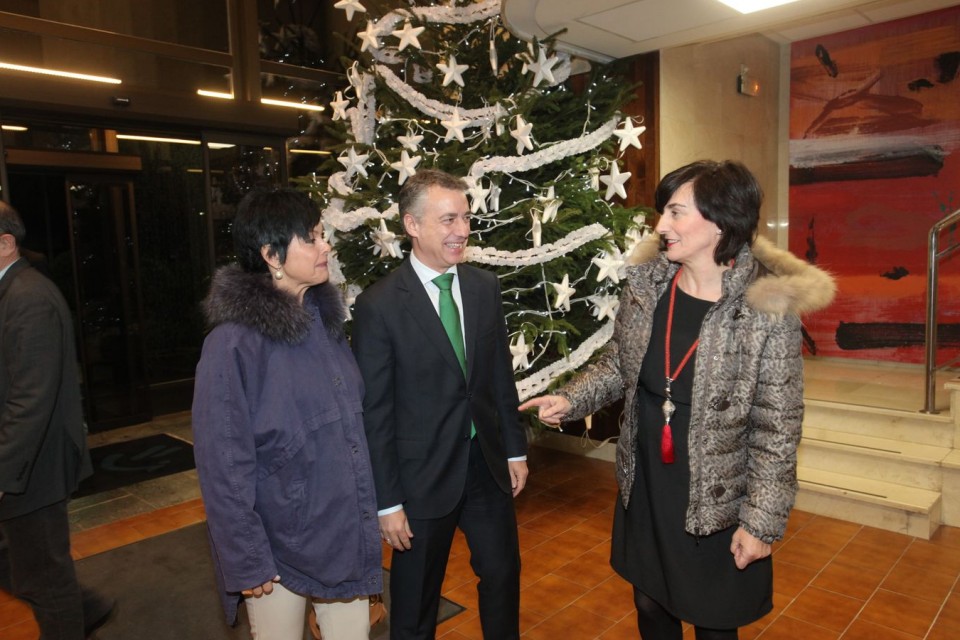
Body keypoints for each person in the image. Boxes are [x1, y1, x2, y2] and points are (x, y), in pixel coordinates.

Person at [520, 160, 836, 639]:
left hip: (715, 491)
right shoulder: (648, 288)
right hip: (647, 478)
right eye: (663, 213)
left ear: (719, 221)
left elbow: (778, 427)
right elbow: (618, 366)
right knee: (649, 601)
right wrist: (570, 399)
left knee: (712, 619)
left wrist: (762, 523)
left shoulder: (765, 311)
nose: (661, 226)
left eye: (675, 212)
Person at [191, 187, 382, 640]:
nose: (325, 246)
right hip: (276, 548)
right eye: (312, 238)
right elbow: (222, 463)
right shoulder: (231, 344)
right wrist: (246, 556)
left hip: (340, 531)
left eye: (322, 234)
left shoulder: (325, 323)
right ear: (272, 254)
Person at [352, 169, 529, 640]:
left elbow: (497, 379)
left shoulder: (482, 288)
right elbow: (376, 412)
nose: (462, 231)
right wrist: (386, 502)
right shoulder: (379, 306)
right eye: (448, 219)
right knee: (415, 604)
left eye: (466, 218)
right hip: (420, 479)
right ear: (413, 225)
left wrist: (514, 450)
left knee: (503, 576)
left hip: (485, 467)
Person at [0, 200, 114, 639]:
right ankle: (84, 608)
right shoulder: (14, 292)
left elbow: (30, 400)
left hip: (34, 470)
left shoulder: (28, 299)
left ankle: (79, 612)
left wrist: (3, 474)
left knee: (46, 581)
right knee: (33, 572)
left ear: (6, 244)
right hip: (24, 466)